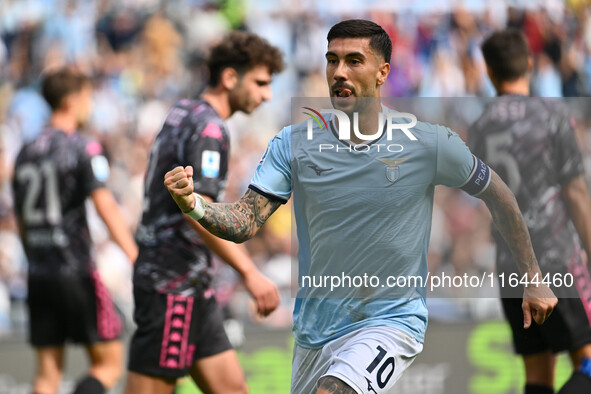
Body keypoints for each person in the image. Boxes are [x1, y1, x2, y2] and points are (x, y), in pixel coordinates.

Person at [165, 19, 557, 394]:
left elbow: (498, 193)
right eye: (332, 60)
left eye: (354, 61)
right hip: (315, 331)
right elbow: (246, 220)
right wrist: (194, 203)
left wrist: (533, 275)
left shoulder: (428, 143)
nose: (339, 72)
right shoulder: (293, 144)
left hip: (391, 321)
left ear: (383, 73)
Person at [124, 31, 284, 394]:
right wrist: (249, 272)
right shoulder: (210, 128)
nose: (267, 94)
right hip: (171, 283)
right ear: (230, 78)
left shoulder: (182, 110)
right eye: (260, 83)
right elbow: (197, 214)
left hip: (193, 283)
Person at [469, 28, 591, 394]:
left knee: (537, 375)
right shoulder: (552, 116)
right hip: (558, 257)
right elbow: (575, 191)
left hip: (510, 265)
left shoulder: (479, 127)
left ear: (490, 72)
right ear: (530, 64)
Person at [12, 67, 138, 394]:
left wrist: (34, 255)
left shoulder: (25, 151)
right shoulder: (83, 146)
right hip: (76, 270)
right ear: (71, 100)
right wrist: (134, 254)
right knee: (109, 363)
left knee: (47, 373)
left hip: (39, 272)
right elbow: (105, 205)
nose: (90, 105)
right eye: (87, 98)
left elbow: (22, 220)